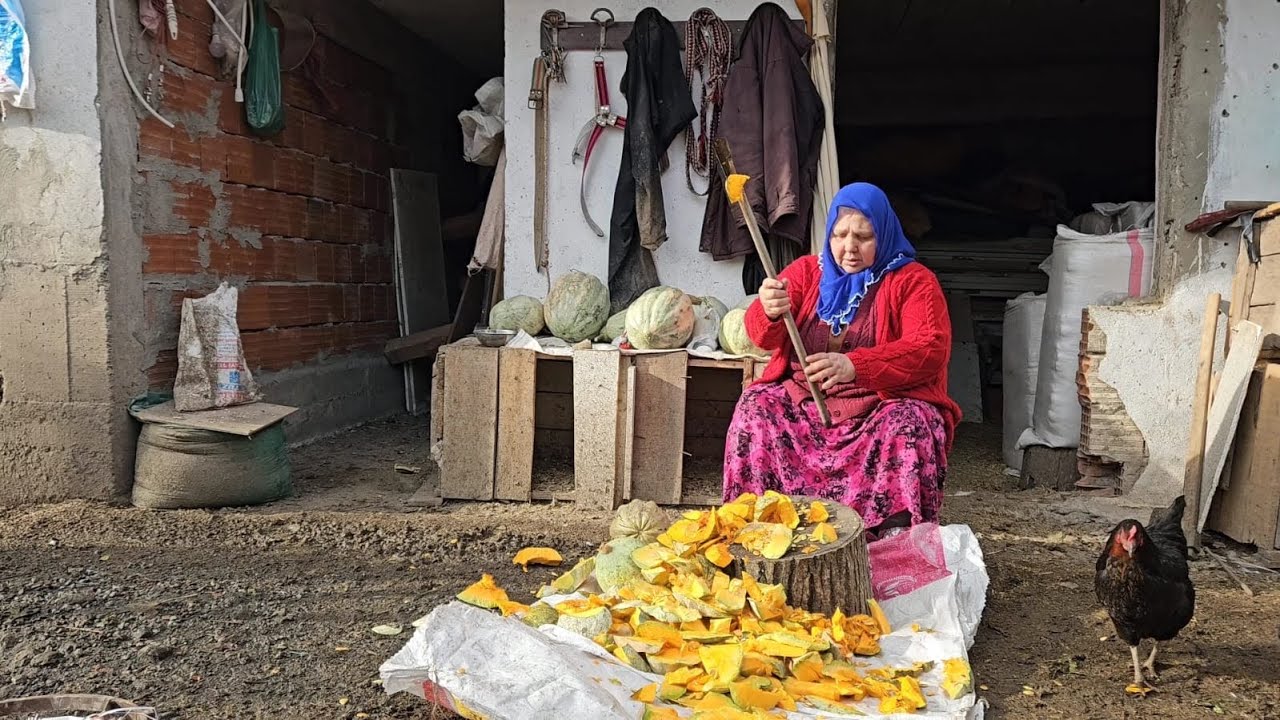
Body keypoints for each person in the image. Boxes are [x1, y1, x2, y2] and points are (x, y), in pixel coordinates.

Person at [722, 182, 961, 538]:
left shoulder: (914, 282)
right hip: (804, 405)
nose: (849, 248)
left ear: (884, 233)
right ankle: (759, 527)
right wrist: (768, 310)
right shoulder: (806, 272)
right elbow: (760, 336)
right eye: (839, 235)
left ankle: (887, 538)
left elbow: (930, 348)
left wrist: (855, 366)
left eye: (863, 237)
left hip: (876, 410)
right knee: (755, 406)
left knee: (910, 422)